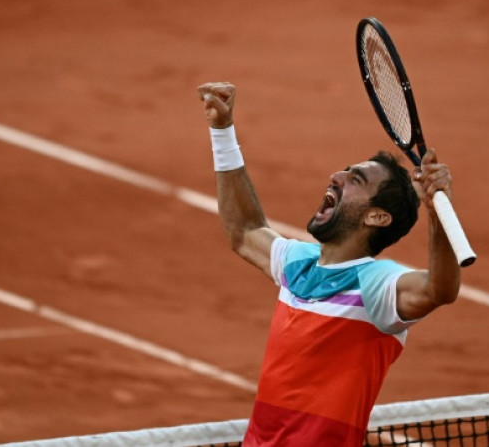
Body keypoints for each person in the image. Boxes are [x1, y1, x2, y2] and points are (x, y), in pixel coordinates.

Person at [197, 81, 462, 447]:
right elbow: (244, 230)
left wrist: (437, 214)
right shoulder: (298, 263)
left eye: (355, 180)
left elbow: (439, 289)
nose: (336, 176)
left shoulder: (378, 285)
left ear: (377, 218)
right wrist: (222, 131)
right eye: (346, 170)